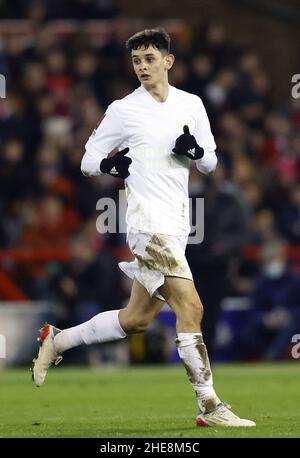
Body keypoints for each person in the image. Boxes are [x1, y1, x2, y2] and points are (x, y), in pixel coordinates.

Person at [31, 28, 255, 427]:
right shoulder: (123, 110)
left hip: (177, 225)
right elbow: (87, 160)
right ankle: (210, 406)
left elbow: (211, 163)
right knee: (192, 306)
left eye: (150, 58)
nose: (143, 67)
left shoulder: (192, 104)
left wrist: (196, 153)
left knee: (136, 319)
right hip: (145, 224)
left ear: (168, 61)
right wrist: (108, 166)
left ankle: (58, 339)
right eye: (137, 61)